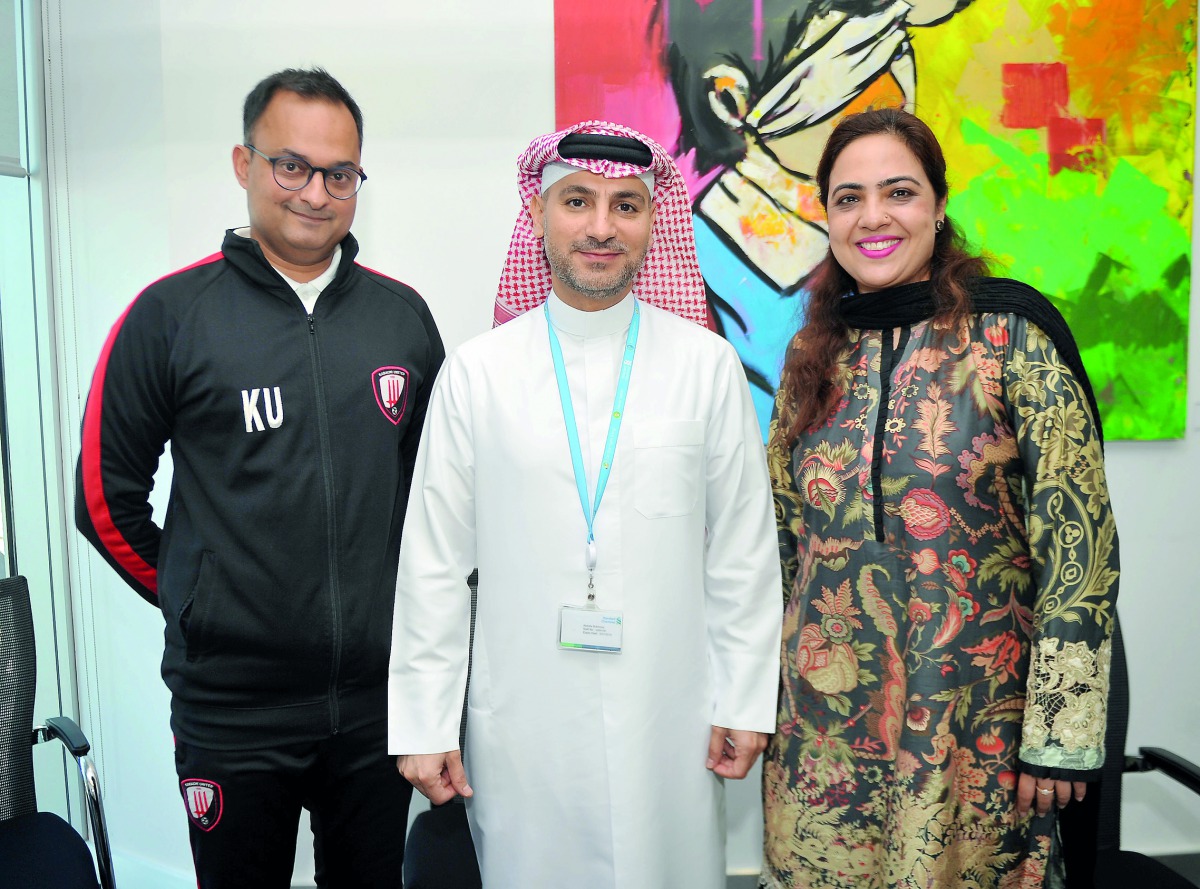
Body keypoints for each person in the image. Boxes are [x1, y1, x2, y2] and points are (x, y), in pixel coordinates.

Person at [387, 121, 783, 887]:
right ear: (538, 215)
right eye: (578, 201)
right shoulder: (477, 374)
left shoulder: (707, 367)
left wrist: (745, 698)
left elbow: (741, 549)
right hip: (525, 723)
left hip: (670, 718)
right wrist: (426, 721)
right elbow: (434, 565)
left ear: (652, 223)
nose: (602, 227)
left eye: (626, 206)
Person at [75, 67, 444, 887]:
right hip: (232, 717)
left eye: (339, 173)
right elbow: (104, 500)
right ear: (244, 164)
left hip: (377, 712)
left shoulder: (403, 319)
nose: (315, 192)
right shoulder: (169, 316)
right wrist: (198, 597)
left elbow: (439, 507)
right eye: (291, 166)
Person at [761, 106, 1119, 888]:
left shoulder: (1011, 335)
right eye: (849, 198)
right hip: (826, 737)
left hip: (975, 730)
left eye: (899, 192)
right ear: (827, 215)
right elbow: (784, 544)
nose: (874, 217)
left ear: (939, 205)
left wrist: (1058, 736)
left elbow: (1079, 543)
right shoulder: (810, 354)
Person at [664, 0, 975, 439]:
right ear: (730, 97)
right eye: (856, 67)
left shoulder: (1004, 331)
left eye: (895, 49)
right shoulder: (694, 274)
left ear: (938, 203)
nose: (894, 93)